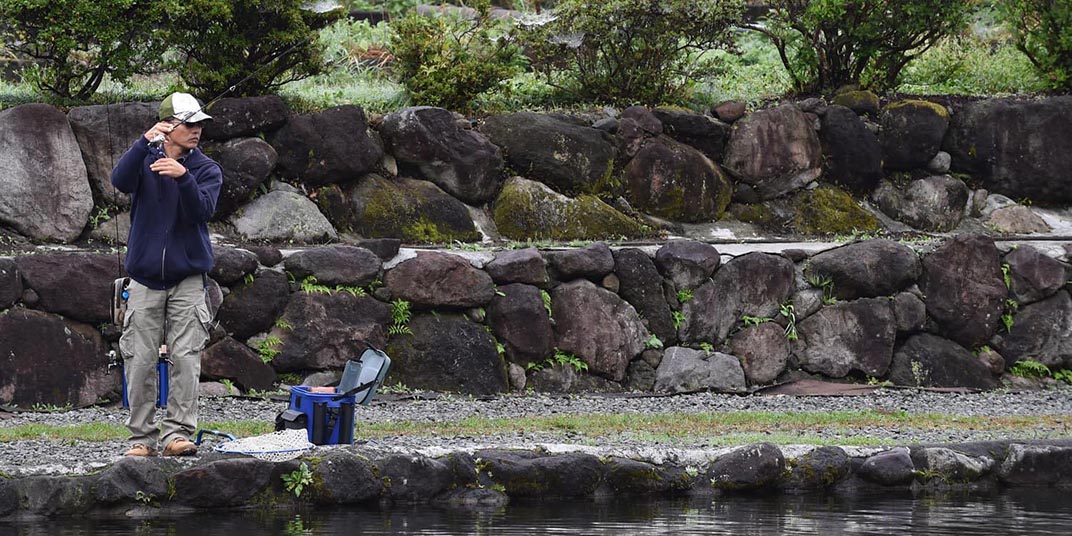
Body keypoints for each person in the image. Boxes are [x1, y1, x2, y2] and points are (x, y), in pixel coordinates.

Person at [111, 92, 223, 457]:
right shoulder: (144, 160)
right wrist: (143, 142)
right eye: (189, 124)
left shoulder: (205, 169)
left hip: (188, 280)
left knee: (186, 358)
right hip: (143, 279)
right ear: (168, 126)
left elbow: (201, 211)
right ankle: (141, 439)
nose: (196, 131)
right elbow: (120, 180)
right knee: (139, 360)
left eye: (200, 125)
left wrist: (183, 177)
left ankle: (177, 435)